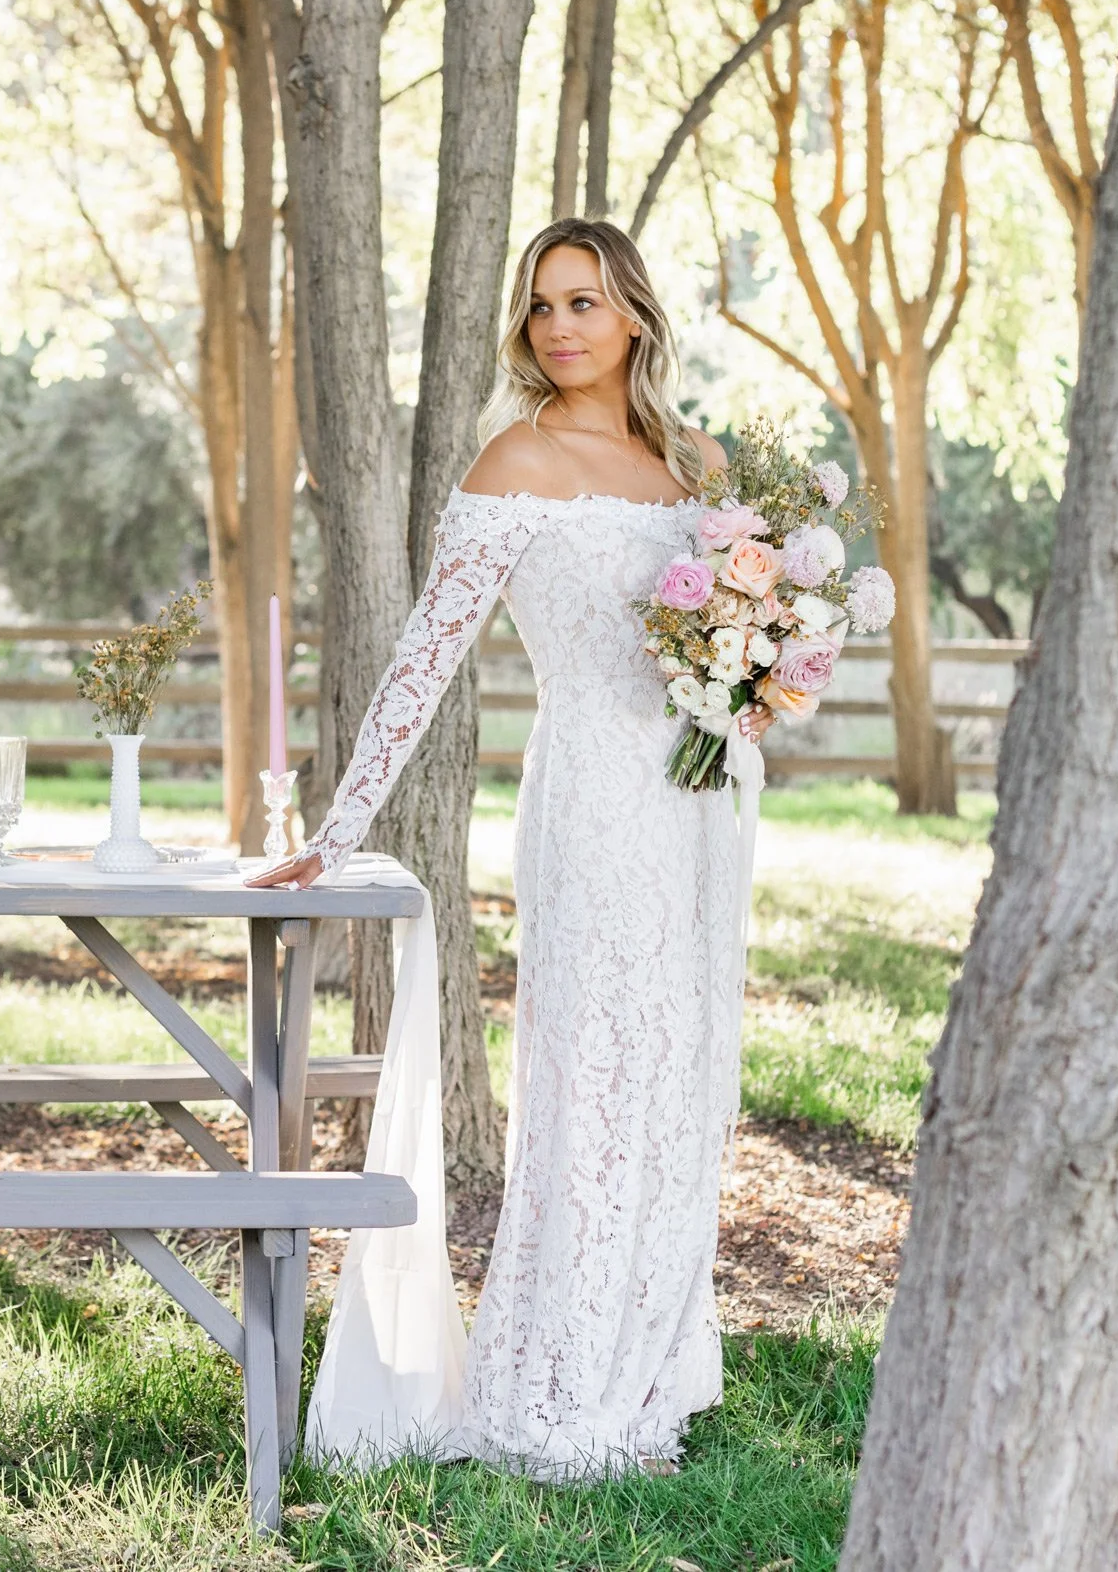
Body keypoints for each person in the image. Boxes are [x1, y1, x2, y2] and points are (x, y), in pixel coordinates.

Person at [249, 218, 769, 1480]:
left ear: (633, 315)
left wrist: (755, 676)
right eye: (542, 307)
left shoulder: (696, 463)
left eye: (583, 303)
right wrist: (338, 824)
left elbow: (746, 643)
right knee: (594, 1074)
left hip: (707, 797)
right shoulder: (516, 460)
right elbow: (426, 656)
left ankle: (651, 1361)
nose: (560, 327)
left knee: (680, 1076)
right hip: (593, 794)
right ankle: (556, 1378)